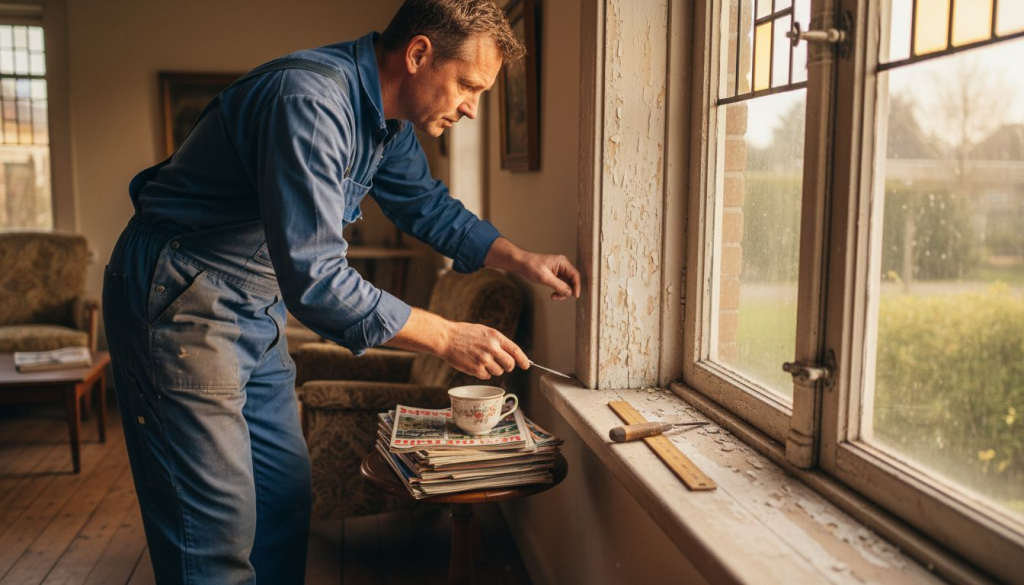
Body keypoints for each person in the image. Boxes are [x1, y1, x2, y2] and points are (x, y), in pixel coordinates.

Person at [102, 0, 580, 583]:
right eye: (467, 87)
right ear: (419, 54)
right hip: (180, 296)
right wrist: (447, 336)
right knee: (213, 536)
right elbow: (317, 279)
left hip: (256, 303)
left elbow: (427, 207)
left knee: (282, 500)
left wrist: (522, 259)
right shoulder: (308, 102)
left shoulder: (389, 121)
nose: (472, 109)